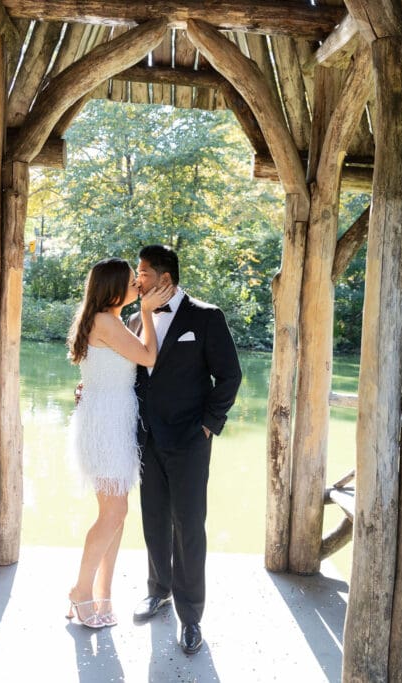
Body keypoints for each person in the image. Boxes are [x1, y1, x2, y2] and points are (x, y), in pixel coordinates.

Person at [127, 245, 242, 654]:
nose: (136, 278)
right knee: (154, 519)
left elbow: (229, 375)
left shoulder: (206, 317)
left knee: (189, 526)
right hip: (146, 438)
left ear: (164, 279)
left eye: (141, 272)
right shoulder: (134, 318)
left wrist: (210, 424)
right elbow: (133, 375)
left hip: (190, 440)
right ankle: (157, 590)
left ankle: (190, 616)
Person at [66, 257, 173, 629]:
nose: (137, 286)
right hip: (107, 424)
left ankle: (102, 595)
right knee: (112, 514)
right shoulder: (106, 321)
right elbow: (148, 356)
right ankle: (81, 592)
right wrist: (146, 313)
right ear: (113, 288)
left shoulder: (103, 319)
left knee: (116, 514)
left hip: (112, 419)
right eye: (131, 282)